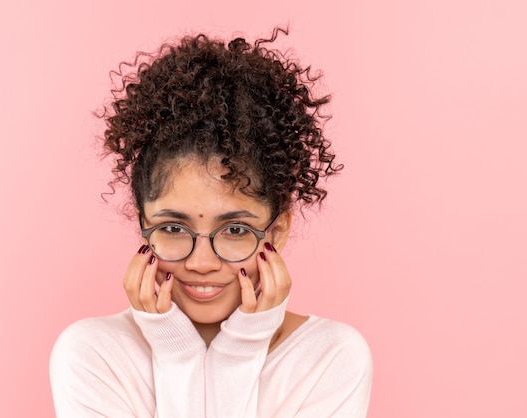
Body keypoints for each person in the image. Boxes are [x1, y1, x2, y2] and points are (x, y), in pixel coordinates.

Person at [50, 28, 372, 418]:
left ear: (278, 231)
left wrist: (239, 353)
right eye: (173, 228)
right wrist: (177, 353)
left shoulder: (329, 358)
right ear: (142, 225)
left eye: (235, 230)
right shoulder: (93, 354)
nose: (201, 262)